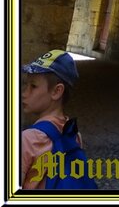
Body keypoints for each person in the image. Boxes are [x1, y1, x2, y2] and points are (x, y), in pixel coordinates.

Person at [21, 49, 83, 189]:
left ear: (56, 91)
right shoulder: (75, 135)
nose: (24, 93)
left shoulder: (28, 139)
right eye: (26, 84)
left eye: (33, 86)